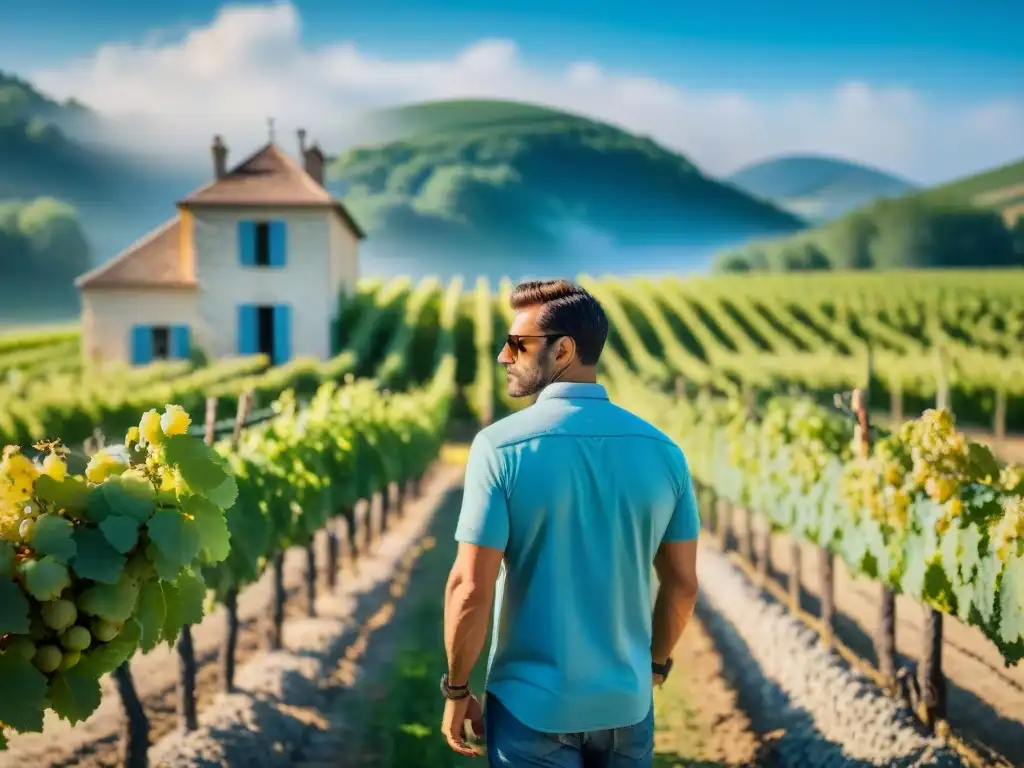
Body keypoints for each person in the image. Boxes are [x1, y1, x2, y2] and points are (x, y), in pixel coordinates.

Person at [440, 279, 701, 767]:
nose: (503, 355)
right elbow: (683, 585)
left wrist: (456, 688)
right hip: (628, 704)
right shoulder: (666, 453)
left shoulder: (500, 449)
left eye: (518, 343)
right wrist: (655, 666)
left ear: (563, 350)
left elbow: (469, 588)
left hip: (530, 707)